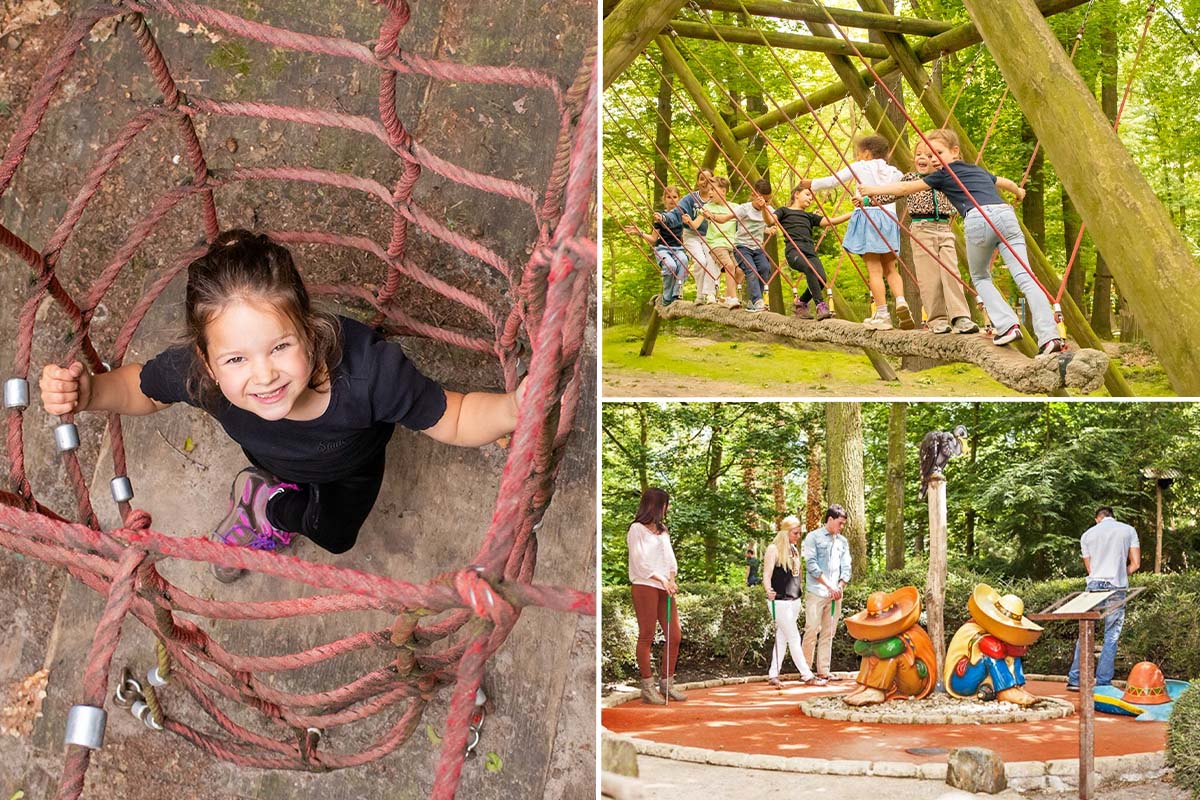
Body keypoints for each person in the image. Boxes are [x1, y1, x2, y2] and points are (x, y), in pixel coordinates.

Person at [39, 230, 523, 582]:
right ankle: (267, 499)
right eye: (235, 358)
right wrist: (91, 394)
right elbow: (142, 388)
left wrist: (514, 410)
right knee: (300, 498)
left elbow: (454, 415)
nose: (264, 375)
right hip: (270, 455)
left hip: (353, 463)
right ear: (207, 364)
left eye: (279, 347)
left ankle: (267, 504)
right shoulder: (200, 377)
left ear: (309, 330)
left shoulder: (370, 374)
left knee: (335, 534)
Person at [858, 128, 1065, 354]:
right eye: (927, 154)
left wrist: (871, 189)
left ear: (955, 151)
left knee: (980, 276)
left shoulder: (942, 174)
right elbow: (1003, 182)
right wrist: (1019, 192)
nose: (932, 159)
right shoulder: (976, 170)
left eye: (937, 153)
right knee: (1026, 277)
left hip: (977, 218)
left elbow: (904, 188)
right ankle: (1049, 337)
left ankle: (1007, 324)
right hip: (1006, 216)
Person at [800, 135, 910, 331]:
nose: (858, 157)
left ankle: (883, 313)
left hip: (869, 217)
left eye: (859, 154)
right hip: (889, 219)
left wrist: (811, 183)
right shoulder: (894, 172)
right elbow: (902, 189)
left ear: (866, 153)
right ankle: (901, 301)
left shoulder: (860, 167)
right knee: (891, 268)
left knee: (874, 270)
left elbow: (833, 181)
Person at [900, 141, 978, 335]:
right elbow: (892, 192)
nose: (922, 158)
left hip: (944, 228)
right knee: (929, 276)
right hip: (921, 228)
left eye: (928, 155)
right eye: (918, 154)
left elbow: (970, 188)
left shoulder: (945, 178)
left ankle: (961, 317)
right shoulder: (910, 179)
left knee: (951, 272)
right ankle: (937, 319)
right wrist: (868, 199)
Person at [1067, 506, 1141, 690]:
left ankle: (1075, 680)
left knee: (1085, 632)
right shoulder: (1128, 530)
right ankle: (1103, 682)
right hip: (1117, 587)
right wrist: (1121, 574)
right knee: (1111, 636)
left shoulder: (1087, 535)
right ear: (1112, 517)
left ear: (1097, 519)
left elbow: (1090, 569)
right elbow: (1136, 564)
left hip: (1094, 587)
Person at [626, 487, 686, 704]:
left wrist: (671, 579)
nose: (667, 509)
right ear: (657, 506)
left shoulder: (663, 531)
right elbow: (640, 563)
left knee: (674, 634)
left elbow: (670, 560)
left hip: (664, 587)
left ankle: (667, 684)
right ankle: (647, 686)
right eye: (665, 504)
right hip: (645, 585)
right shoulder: (637, 529)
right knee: (647, 635)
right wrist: (661, 579)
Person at [774, 186, 853, 320]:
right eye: (808, 195)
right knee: (810, 268)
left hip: (810, 252)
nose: (811, 199)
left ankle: (801, 303)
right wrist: (764, 208)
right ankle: (820, 306)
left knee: (822, 279)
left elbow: (831, 221)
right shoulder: (784, 211)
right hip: (794, 251)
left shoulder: (809, 216)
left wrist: (855, 212)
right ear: (797, 194)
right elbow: (771, 219)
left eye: (812, 197)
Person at [702, 177, 777, 313]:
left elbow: (769, 221)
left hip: (757, 247)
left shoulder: (768, 209)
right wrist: (711, 216)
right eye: (763, 200)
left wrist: (765, 208)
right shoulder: (744, 209)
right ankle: (757, 300)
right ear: (754, 195)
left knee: (765, 269)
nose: (765, 203)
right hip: (742, 247)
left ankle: (753, 301)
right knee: (751, 270)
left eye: (768, 200)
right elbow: (725, 219)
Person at [763, 516, 820, 687]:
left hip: (794, 599)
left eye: (799, 533)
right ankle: (807, 675)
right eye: (795, 533)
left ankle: (773, 674)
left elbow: (797, 575)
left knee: (782, 637)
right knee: (794, 637)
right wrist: (768, 589)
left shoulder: (794, 549)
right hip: (779, 601)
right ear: (786, 532)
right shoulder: (773, 549)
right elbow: (766, 574)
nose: (797, 536)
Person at [801, 504, 852, 681]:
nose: (842, 527)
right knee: (812, 629)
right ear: (830, 519)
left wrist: (840, 586)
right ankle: (806, 670)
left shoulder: (842, 542)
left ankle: (823, 670)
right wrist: (829, 585)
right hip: (816, 592)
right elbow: (811, 565)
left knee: (829, 632)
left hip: (835, 595)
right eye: (840, 523)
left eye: (843, 524)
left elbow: (847, 567)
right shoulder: (812, 538)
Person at [659, 169, 721, 304]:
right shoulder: (690, 199)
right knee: (701, 261)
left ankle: (710, 294)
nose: (705, 182)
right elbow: (676, 213)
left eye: (709, 179)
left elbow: (729, 214)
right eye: (702, 179)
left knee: (712, 260)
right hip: (691, 235)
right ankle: (700, 294)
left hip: (710, 236)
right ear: (697, 182)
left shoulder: (716, 199)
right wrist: (664, 218)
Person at [623, 185, 688, 305]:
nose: (672, 200)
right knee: (671, 266)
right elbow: (653, 239)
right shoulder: (659, 217)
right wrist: (640, 232)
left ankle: (677, 293)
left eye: (675, 197)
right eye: (669, 197)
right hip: (663, 249)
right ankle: (667, 298)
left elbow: (686, 235)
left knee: (683, 261)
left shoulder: (682, 217)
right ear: (664, 199)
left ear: (679, 199)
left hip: (678, 249)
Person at [687, 175, 741, 309]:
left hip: (732, 244)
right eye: (709, 190)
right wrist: (689, 222)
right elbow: (696, 224)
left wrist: (767, 229)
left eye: (713, 189)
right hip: (716, 244)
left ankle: (726, 296)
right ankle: (732, 298)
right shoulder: (707, 208)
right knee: (729, 266)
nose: (709, 193)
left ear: (723, 191)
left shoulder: (735, 208)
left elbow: (748, 222)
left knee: (740, 270)